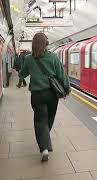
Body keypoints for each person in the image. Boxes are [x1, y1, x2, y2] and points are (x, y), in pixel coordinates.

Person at [19, 32, 70, 162]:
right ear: (46, 43)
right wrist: (66, 89)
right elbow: (61, 75)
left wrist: (21, 71)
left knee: (40, 120)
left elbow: (23, 74)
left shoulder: (29, 59)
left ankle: (44, 148)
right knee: (49, 118)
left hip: (37, 95)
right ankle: (45, 140)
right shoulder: (53, 57)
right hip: (52, 94)